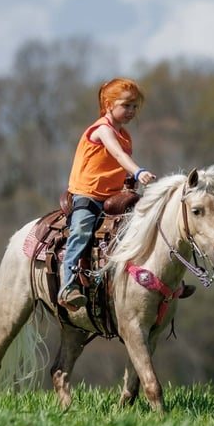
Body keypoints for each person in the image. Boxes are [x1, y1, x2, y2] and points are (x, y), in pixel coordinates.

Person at [58, 77, 156, 310]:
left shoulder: (125, 135)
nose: (131, 111)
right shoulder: (103, 129)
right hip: (88, 194)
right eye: (126, 105)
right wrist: (138, 171)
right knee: (81, 230)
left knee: (147, 223)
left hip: (113, 195)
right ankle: (68, 286)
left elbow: (117, 165)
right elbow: (119, 156)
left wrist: (130, 178)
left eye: (135, 106)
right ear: (109, 104)